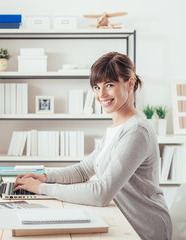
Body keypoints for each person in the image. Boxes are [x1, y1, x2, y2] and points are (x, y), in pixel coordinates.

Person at [14, 52, 172, 240]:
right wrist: (45, 177)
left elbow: (101, 194)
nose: (101, 94)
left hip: (143, 227)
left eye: (109, 85)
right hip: (122, 219)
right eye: (96, 87)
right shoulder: (117, 129)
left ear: (130, 83)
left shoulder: (136, 131)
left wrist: (41, 188)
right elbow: (83, 170)